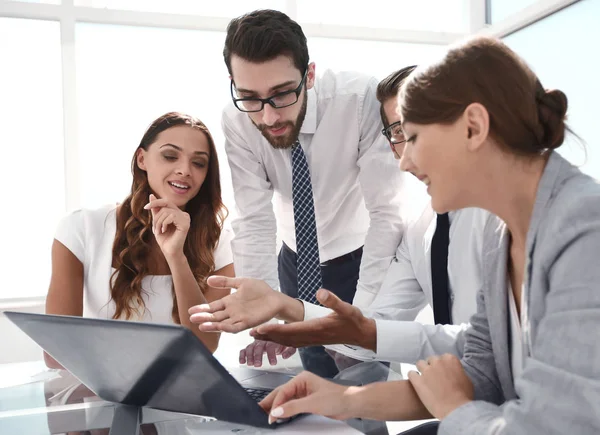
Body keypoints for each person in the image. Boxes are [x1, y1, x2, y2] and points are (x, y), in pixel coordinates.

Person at [253, 36, 600, 434]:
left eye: (413, 137)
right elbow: (480, 371)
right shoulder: (503, 242)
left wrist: (454, 409)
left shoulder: (584, 228)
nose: (404, 161)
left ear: (473, 127)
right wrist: (340, 399)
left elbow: (554, 426)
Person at [190, 67, 490, 372]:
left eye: (417, 131)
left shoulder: (504, 220)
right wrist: (283, 307)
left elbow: (483, 346)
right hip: (463, 401)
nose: (404, 160)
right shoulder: (418, 237)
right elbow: (372, 331)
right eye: (397, 134)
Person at [221, 9, 408, 377]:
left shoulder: (359, 101)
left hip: (362, 257)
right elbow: (255, 221)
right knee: (317, 390)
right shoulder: (236, 120)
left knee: (365, 388)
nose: (268, 116)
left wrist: (362, 322)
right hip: (293, 262)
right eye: (250, 97)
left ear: (309, 75)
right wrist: (270, 315)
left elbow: (388, 214)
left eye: (281, 94)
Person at [45, 112, 235, 368]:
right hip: (104, 394)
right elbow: (57, 354)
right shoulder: (81, 228)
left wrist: (176, 257)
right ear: (142, 159)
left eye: (199, 163)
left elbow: (204, 346)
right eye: (170, 156)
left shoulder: (220, 241)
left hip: (183, 396)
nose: (184, 170)